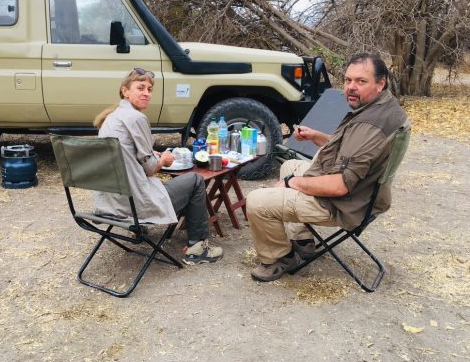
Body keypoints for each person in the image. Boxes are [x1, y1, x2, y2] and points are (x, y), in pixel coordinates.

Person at [246, 53, 410, 282]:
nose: (351, 87)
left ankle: (281, 258)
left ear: (380, 83)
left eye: (361, 81)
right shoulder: (384, 108)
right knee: (291, 165)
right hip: (365, 192)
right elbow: (351, 150)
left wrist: (291, 183)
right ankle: (303, 240)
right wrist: (317, 136)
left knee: (257, 201)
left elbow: (340, 185)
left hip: (345, 204)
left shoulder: (371, 123)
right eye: (348, 80)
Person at [93, 68, 223, 265]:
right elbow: (150, 169)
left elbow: (125, 156)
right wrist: (163, 160)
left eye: (149, 89)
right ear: (125, 91)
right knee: (195, 180)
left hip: (110, 202)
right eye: (141, 88)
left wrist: (152, 156)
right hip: (134, 205)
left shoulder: (111, 119)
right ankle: (198, 248)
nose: (147, 93)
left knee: (180, 184)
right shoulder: (136, 118)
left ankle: (163, 230)